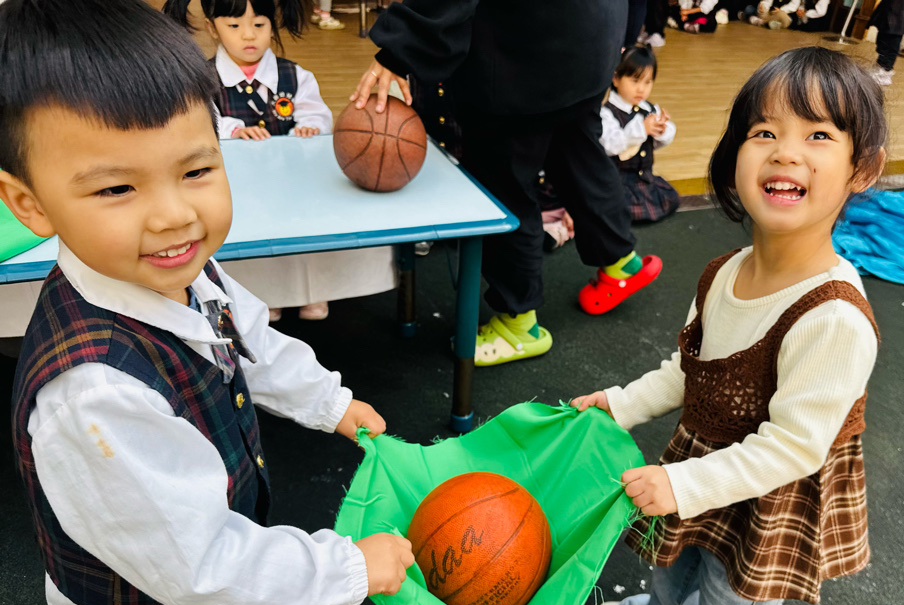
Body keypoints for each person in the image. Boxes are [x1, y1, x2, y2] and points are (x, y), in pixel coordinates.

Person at [0, 1, 414, 605]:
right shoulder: (94, 397)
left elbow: (250, 338)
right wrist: (351, 568)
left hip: (194, 589)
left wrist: (329, 402)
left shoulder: (178, 272)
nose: (173, 216)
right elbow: (204, 567)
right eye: (115, 189)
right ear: (30, 204)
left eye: (196, 170)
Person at [571, 47, 887, 605]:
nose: (786, 153)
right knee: (674, 564)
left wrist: (681, 484)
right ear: (734, 154)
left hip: (772, 497)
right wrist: (619, 405)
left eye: (818, 135)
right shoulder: (723, 273)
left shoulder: (835, 317)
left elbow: (793, 448)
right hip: (705, 465)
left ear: (861, 169)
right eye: (764, 131)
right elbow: (688, 370)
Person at [350, 0, 663, 367]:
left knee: (504, 183)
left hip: (523, 55)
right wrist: (622, 35)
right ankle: (621, 262)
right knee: (578, 151)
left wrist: (399, 50)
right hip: (595, 37)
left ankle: (518, 324)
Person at [164, 0, 350, 322]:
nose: (248, 35)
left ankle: (311, 292)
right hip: (240, 189)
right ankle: (269, 296)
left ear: (272, 25)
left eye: (259, 24)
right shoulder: (202, 80)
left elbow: (318, 113)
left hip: (291, 185)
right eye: (234, 26)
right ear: (212, 28)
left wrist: (310, 126)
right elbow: (194, 128)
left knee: (301, 235)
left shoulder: (295, 76)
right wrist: (233, 130)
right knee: (256, 241)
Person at [600, 45, 679, 224]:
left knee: (671, 197)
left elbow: (657, 143)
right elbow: (610, 145)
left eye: (647, 82)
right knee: (618, 208)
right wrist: (642, 129)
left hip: (644, 178)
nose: (641, 89)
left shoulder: (648, 108)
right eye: (635, 81)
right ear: (615, 79)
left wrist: (661, 130)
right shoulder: (607, 113)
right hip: (620, 182)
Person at [870, 0, 904, 85]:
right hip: (890, 5)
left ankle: (884, 72)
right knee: (882, 39)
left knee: (891, 40)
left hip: (901, 7)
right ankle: (880, 67)